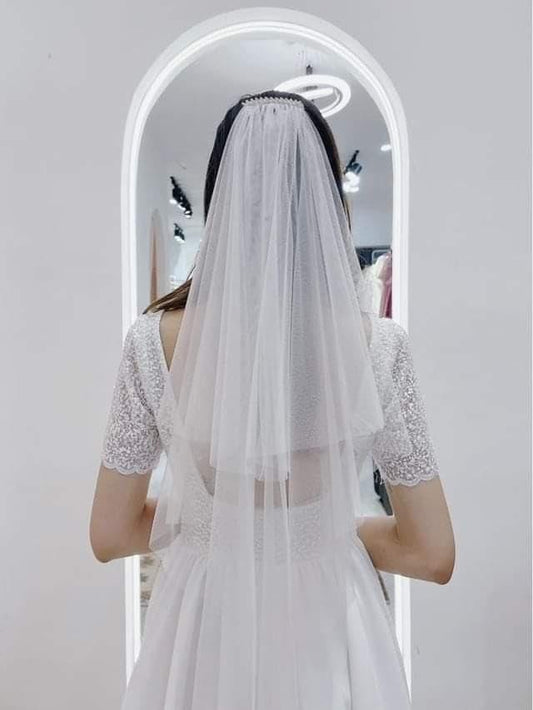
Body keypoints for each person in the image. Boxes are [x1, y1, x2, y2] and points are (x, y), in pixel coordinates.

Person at [90, 89, 455, 709]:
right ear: (325, 198)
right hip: (327, 623)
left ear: (218, 197)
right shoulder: (379, 346)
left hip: (202, 623)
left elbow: (109, 533)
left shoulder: (155, 341)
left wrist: (210, 522)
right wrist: (326, 527)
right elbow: (432, 553)